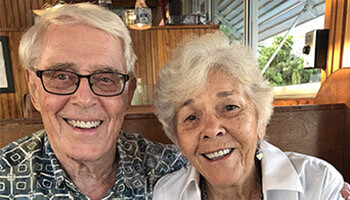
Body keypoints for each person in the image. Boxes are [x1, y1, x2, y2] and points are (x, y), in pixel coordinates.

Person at [0, 3, 187, 199]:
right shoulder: (5, 178)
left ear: (128, 94)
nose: (84, 99)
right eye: (61, 76)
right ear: (34, 89)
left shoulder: (173, 169)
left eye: (106, 79)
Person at [153, 32, 346, 200]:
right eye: (191, 117)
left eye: (229, 107)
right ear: (177, 138)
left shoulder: (318, 184)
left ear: (260, 120)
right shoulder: (168, 193)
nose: (212, 130)